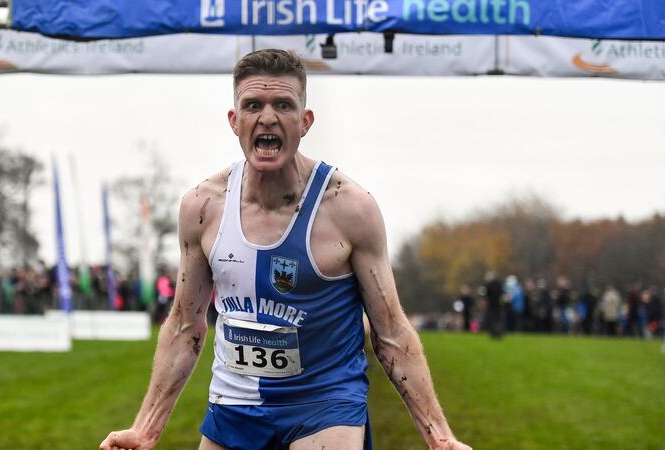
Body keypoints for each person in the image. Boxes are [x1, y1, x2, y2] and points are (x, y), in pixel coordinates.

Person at [100, 49, 470, 450]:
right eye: (253, 105)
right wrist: (145, 430)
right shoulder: (202, 207)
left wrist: (440, 438)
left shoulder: (349, 208)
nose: (268, 118)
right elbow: (184, 326)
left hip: (325, 403)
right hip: (234, 405)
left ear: (305, 122)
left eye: (283, 105)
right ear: (234, 120)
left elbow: (391, 332)